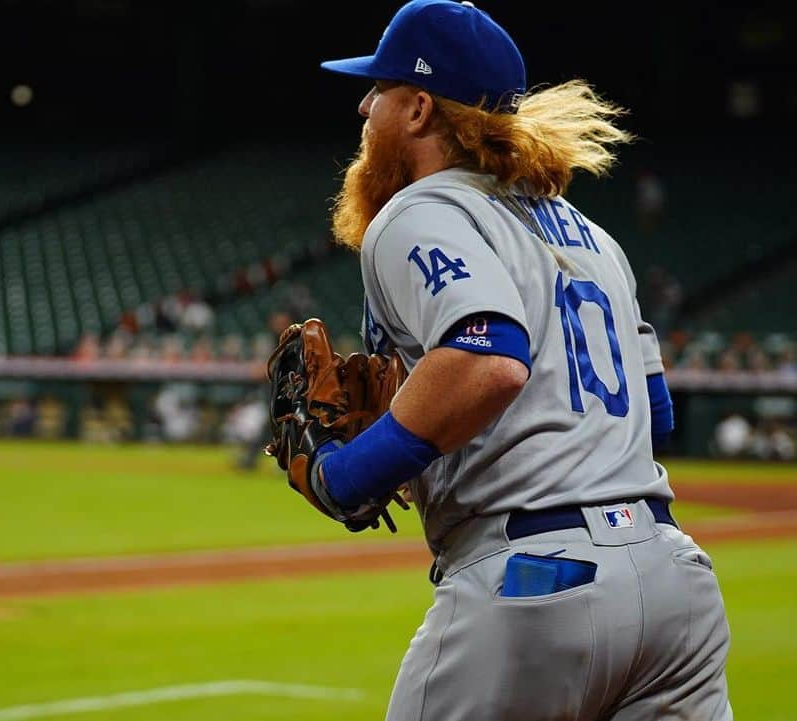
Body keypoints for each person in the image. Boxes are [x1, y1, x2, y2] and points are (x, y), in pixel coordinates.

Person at [307, 2, 731, 719]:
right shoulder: (593, 235)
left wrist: (345, 475)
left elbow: (487, 359)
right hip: (675, 586)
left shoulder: (414, 211)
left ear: (415, 110)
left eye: (377, 88)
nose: (363, 104)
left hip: (535, 585)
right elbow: (651, 411)